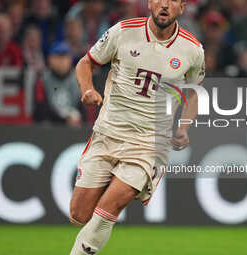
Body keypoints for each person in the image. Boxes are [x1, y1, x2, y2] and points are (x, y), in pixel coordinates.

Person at [68, 0, 205, 254]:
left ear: (182, 7)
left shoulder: (193, 50)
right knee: (79, 214)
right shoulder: (122, 31)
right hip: (108, 133)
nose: (165, 5)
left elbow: (195, 92)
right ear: (150, 3)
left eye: (172, 0)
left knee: (110, 207)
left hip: (149, 144)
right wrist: (87, 89)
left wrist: (184, 127)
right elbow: (85, 63)